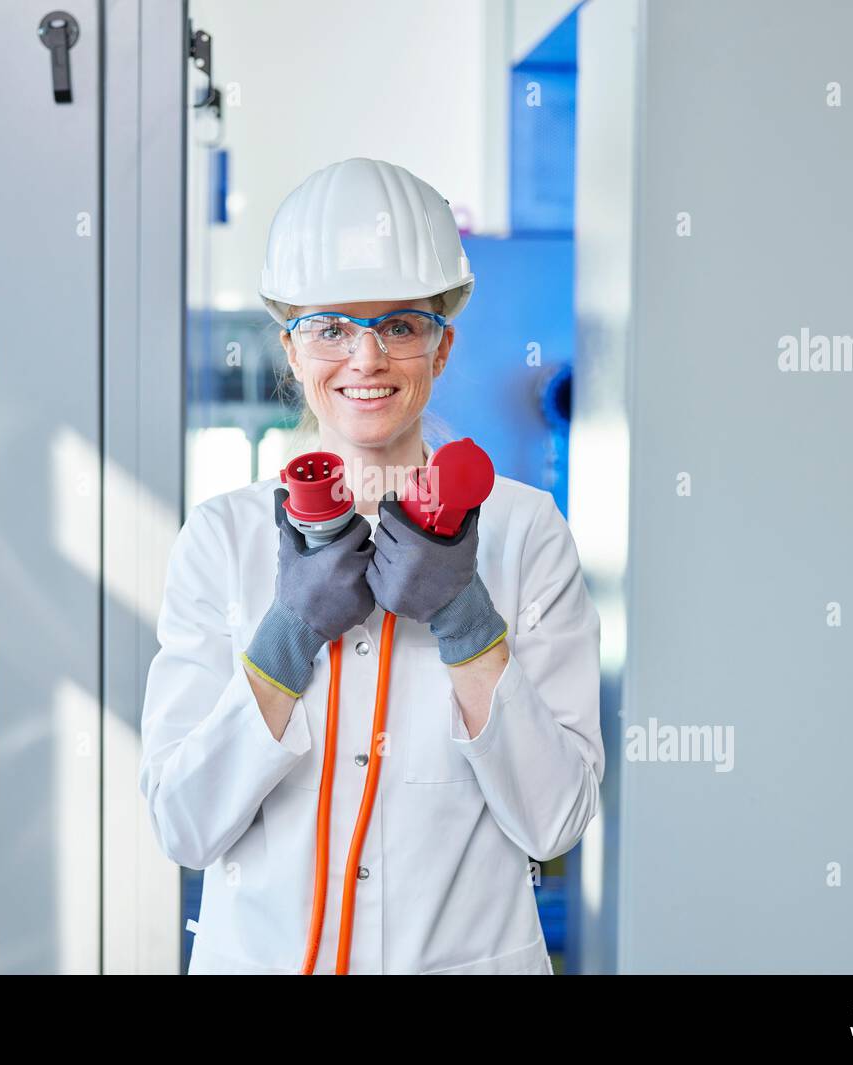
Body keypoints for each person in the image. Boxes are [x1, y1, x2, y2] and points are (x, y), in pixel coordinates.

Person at [139, 157, 604, 974]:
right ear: (290, 346)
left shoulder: (526, 530)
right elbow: (185, 824)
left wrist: (467, 622)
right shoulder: (222, 540)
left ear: (442, 345)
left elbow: (556, 820)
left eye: (400, 324)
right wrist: (287, 637)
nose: (366, 359)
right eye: (330, 327)